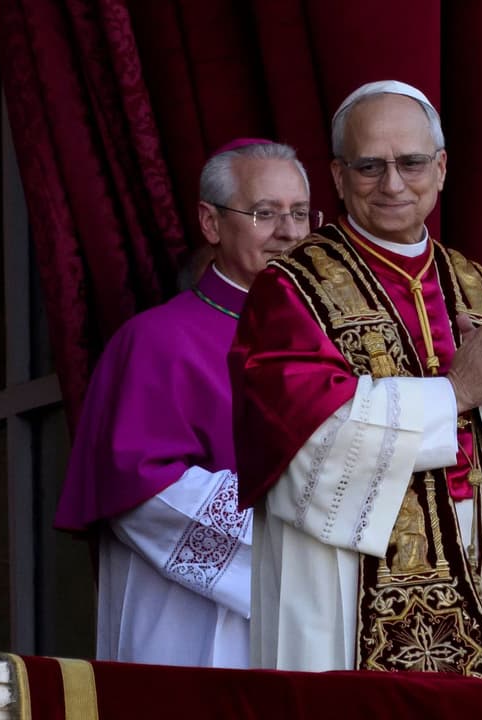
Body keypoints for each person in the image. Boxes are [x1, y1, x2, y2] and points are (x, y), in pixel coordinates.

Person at [231, 81, 482, 685]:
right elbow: (304, 434)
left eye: (412, 163)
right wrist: (454, 394)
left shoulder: (481, 286)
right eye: (370, 166)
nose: (393, 184)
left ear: (441, 168)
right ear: (339, 176)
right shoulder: (292, 288)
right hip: (353, 575)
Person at [54, 139, 313, 667]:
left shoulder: (335, 339)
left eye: (301, 213)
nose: (289, 232)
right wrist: (307, 532)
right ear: (211, 223)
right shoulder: (155, 341)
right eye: (265, 213)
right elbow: (143, 492)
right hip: (194, 628)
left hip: (317, 629)